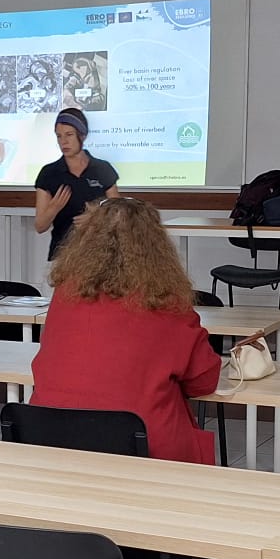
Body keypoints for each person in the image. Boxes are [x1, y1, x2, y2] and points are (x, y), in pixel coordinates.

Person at [32, 197, 221, 465]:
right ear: (156, 245)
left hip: (51, 439)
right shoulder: (165, 301)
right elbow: (204, 381)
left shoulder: (65, 294)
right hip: (141, 448)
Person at [32, 107, 122, 261]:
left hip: (101, 254)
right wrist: (54, 207)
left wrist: (96, 218)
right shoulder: (49, 173)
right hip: (64, 256)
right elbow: (40, 226)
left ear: (82, 135)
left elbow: (119, 215)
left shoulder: (102, 169)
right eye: (59, 136)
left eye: (69, 135)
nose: (63, 142)